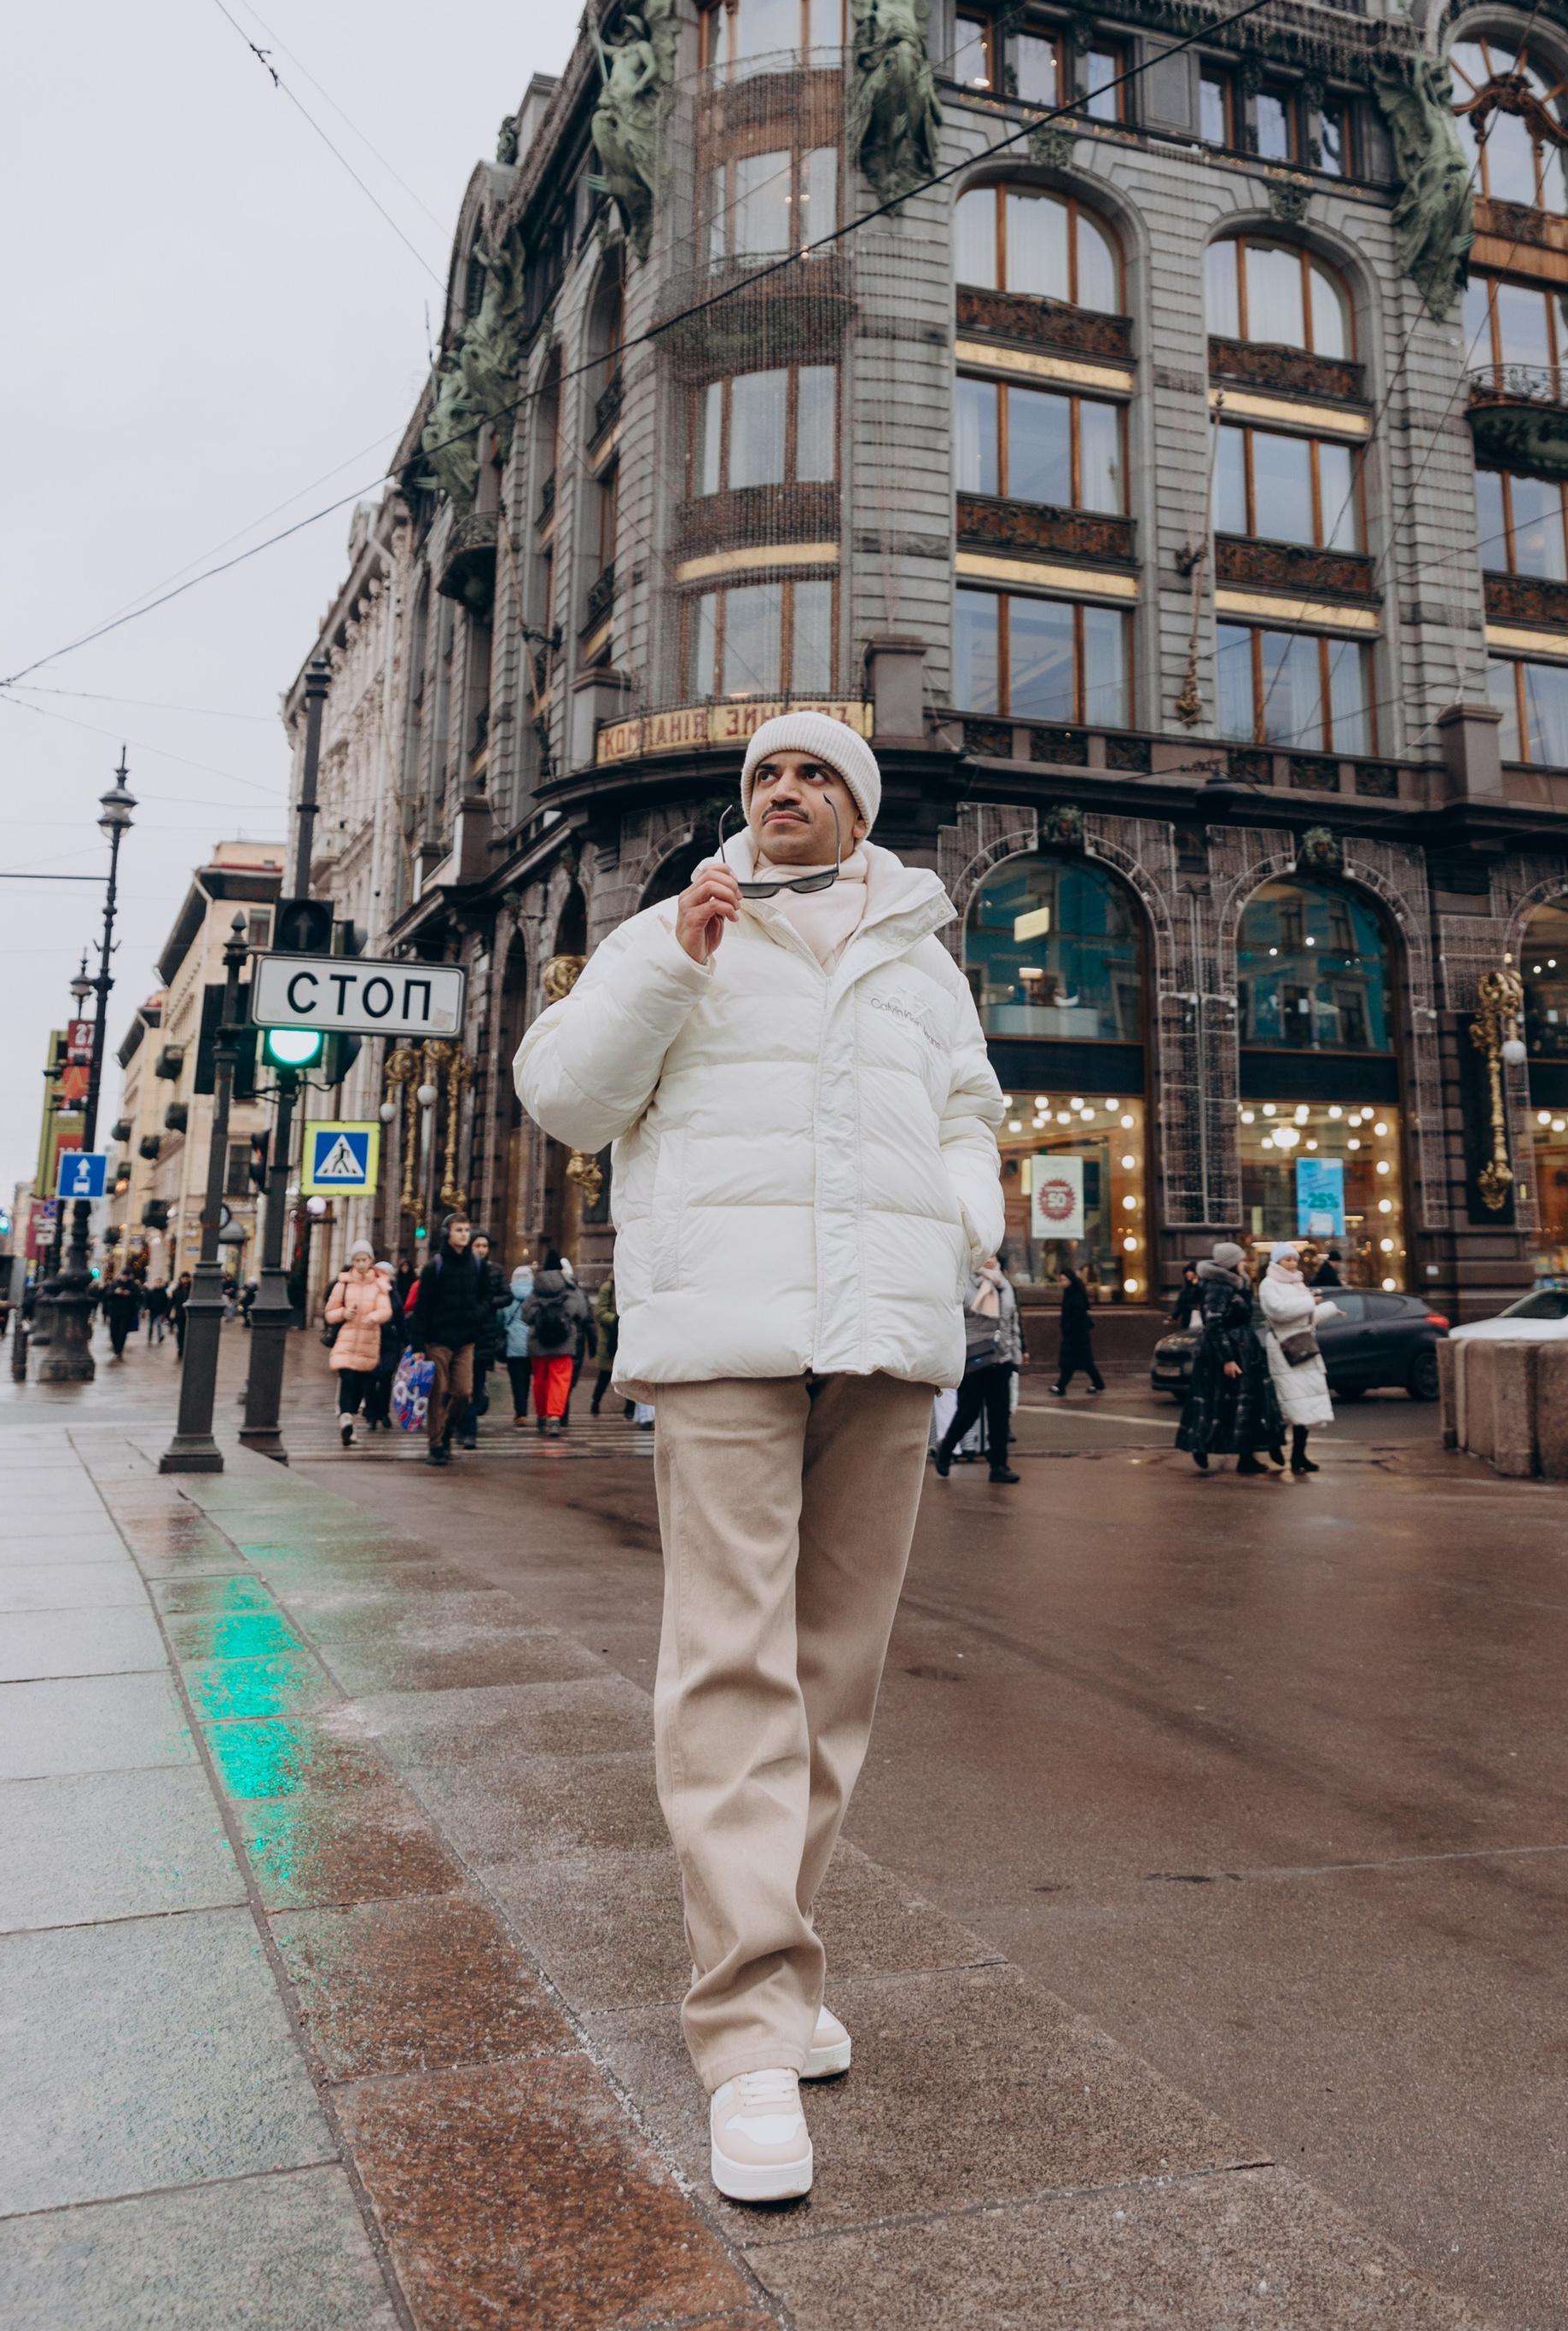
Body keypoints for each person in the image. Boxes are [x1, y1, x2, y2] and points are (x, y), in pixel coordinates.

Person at [513, 709, 1002, 2206]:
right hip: (724, 1334)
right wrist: (671, 956)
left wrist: (964, 1222)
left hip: (887, 1336)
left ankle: (776, 1974)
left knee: (833, 1672)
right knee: (731, 1662)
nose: (782, 790)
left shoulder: (921, 956)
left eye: (811, 774)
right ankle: (746, 2035)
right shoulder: (679, 925)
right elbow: (567, 1097)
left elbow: (970, 1112)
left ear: (858, 808)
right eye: (764, 776)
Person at [1175, 1241, 1279, 1475]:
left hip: (1244, 1349)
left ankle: (1246, 1456)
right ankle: (1201, 1444)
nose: (1245, 1263)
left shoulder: (1238, 1283)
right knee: (1216, 1402)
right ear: (1231, 1264)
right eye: (1240, 1260)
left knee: (1246, 1403)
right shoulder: (1218, 1287)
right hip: (1222, 1354)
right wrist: (1227, 1358)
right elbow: (1214, 1324)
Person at [933, 1247, 1022, 1481]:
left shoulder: (1005, 1284)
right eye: (985, 1257)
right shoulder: (965, 1283)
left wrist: (1015, 1355)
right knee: (968, 1412)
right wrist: (986, 1283)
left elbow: (1012, 1320)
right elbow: (963, 1312)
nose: (990, 1260)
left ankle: (999, 1467)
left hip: (1001, 1359)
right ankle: (946, 1448)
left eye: (993, 1256)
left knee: (999, 1415)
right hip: (975, 1357)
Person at [404, 1217, 481, 1467]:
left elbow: (484, 1297)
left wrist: (477, 1319)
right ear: (447, 1233)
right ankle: (436, 1445)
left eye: (467, 1230)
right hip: (437, 1341)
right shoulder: (435, 1266)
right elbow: (421, 1309)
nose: (464, 1234)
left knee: (463, 1393)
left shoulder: (475, 1264)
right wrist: (418, 1346)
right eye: (459, 1230)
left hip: (466, 1341)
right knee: (439, 1393)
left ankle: (447, 1430)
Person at [1258, 1241, 1333, 1475]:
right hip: (1284, 1348)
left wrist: (1329, 1309)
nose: (1292, 1263)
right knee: (1288, 1402)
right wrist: (1310, 1302)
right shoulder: (1269, 1284)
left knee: (1305, 1404)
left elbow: (1304, 1317)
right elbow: (1278, 1311)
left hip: (1303, 1345)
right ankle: (1275, 1443)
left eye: (1294, 1259)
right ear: (1276, 1261)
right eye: (1287, 1259)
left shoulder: (1298, 1282)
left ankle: (1299, 1455)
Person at [322, 1241, 392, 1448]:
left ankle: (350, 1418)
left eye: (364, 1259)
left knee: (360, 1386)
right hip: (345, 1341)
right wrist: (343, 1313)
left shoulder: (380, 1285)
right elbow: (329, 1313)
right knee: (347, 1379)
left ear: (371, 1261)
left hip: (368, 1344)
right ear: (352, 1262)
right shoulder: (343, 1284)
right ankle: (345, 1419)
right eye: (357, 1260)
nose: (361, 1264)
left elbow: (386, 1310)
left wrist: (374, 1316)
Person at [523, 1253, 589, 1431]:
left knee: (540, 1381)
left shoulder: (536, 1287)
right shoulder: (570, 1287)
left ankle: (541, 1415)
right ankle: (554, 1417)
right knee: (560, 1380)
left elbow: (526, 1315)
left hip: (538, 1341)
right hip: (564, 1341)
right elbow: (582, 1312)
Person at [459, 1230, 505, 1450]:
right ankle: (461, 1424)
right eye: (478, 1245)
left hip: (485, 1335)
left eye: (485, 1246)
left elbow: (507, 1295)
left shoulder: (495, 1270)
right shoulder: (461, 1268)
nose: (482, 1250)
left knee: (476, 1385)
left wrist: (487, 1304)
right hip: (462, 1334)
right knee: (461, 1387)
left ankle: (470, 1431)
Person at [1048, 1253, 1105, 1397]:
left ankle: (1061, 1386)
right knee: (1081, 1362)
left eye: (1064, 1280)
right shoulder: (1070, 1293)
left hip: (1076, 1335)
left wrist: (1070, 1327)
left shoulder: (1075, 1295)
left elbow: (1078, 1314)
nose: (1062, 1283)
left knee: (1073, 1362)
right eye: (1061, 1280)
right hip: (1074, 1334)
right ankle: (1097, 1383)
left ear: (1070, 1280)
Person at [366, 1259, 409, 1429]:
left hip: (390, 1342)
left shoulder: (394, 1295)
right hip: (370, 1341)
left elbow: (400, 1320)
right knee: (370, 1379)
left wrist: (406, 1341)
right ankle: (371, 1414)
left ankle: (383, 1412)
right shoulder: (368, 1293)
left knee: (386, 1377)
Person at [502, 1261, 534, 1421]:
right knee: (527, 1378)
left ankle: (520, 1412)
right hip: (532, 1344)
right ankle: (524, 1409)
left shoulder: (508, 1296)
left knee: (516, 1380)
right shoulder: (535, 1296)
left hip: (513, 1346)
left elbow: (501, 1318)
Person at [589, 1265, 620, 1415]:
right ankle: (595, 1402)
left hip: (627, 1338)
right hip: (609, 1340)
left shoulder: (632, 1285)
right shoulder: (608, 1287)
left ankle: (630, 1409)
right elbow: (600, 1312)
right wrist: (617, 1319)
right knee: (605, 1375)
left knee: (630, 1374)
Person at [100, 1269, 142, 1362]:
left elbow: (138, 1296)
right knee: (113, 1331)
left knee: (123, 1331)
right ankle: (116, 1347)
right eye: (123, 1276)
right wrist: (115, 1292)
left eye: (126, 1276)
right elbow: (106, 1295)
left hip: (127, 1312)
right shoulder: (114, 1284)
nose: (125, 1278)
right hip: (114, 1311)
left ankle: (119, 1350)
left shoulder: (132, 1285)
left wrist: (129, 1294)